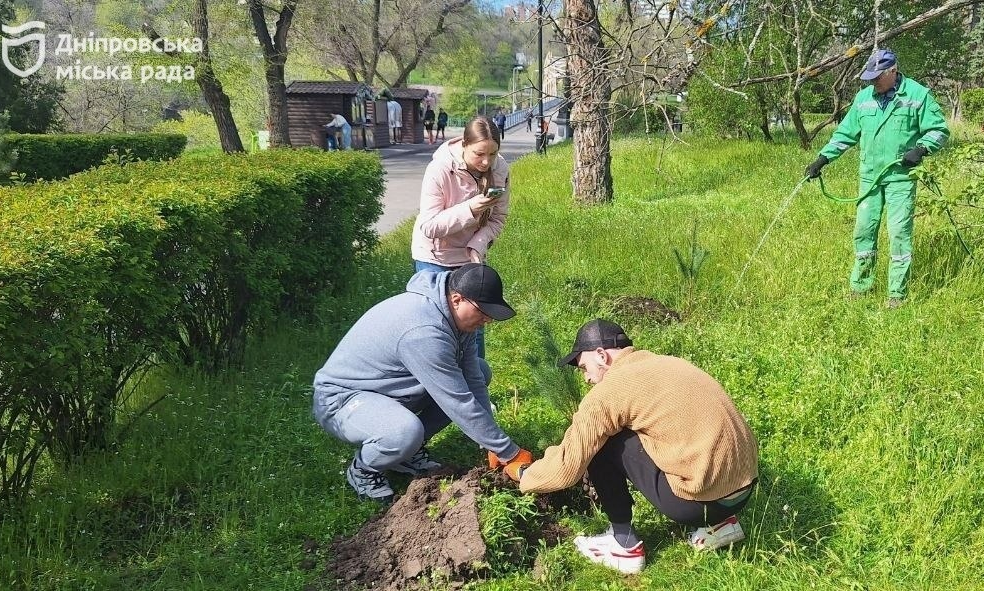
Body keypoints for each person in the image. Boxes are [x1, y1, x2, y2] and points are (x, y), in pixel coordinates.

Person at [518, 319, 759, 575]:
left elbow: (567, 467)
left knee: (603, 441)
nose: (587, 378)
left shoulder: (609, 392)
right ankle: (720, 526)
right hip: (743, 492)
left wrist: (525, 475)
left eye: (584, 367)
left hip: (699, 503)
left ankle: (623, 545)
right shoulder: (669, 363)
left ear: (601, 355)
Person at [311, 263, 533, 503]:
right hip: (342, 400)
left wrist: (493, 443)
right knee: (404, 432)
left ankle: (406, 453)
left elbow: (473, 380)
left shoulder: (456, 319)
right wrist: (509, 453)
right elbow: (457, 400)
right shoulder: (424, 331)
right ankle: (364, 470)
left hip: (386, 390)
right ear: (457, 299)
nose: (487, 319)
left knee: (481, 369)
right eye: (482, 312)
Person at [804, 48, 949, 309]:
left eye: (877, 77)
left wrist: (922, 148)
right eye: (869, 77)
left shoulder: (917, 95)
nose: (872, 82)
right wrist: (822, 159)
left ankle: (897, 294)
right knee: (863, 231)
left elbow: (939, 131)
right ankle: (860, 286)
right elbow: (845, 134)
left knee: (899, 234)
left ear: (892, 71)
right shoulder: (864, 99)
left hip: (900, 178)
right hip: (869, 178)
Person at [411, 115, 508, 359]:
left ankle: (476, 386)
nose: (486, 162)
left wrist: (477, 245)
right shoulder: (440, 169)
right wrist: (471, 209)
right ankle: (436, 387)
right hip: (434, 258)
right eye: (479, 154)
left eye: (493, 154)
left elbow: (498, 219)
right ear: (464, 145)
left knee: (474, 325)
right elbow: (429, 226)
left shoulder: (501, 169)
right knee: (437, 329)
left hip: (469, 259)